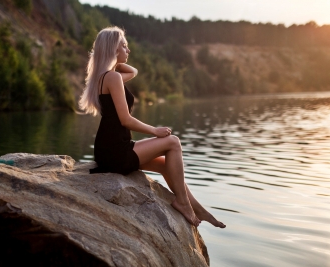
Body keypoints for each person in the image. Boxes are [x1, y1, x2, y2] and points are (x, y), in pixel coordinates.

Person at [79, 26, 225, 228]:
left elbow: (133, 71)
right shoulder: (112, 78)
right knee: (173, 142)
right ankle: (182, 202)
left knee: (167, 165)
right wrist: (155, 131)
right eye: (124, 45)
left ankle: (197, 207)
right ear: (113, 48)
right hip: (116, 151)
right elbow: (125, 120)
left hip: (110, 149)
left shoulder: (105, 77)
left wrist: (114, 61)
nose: (128, 50)